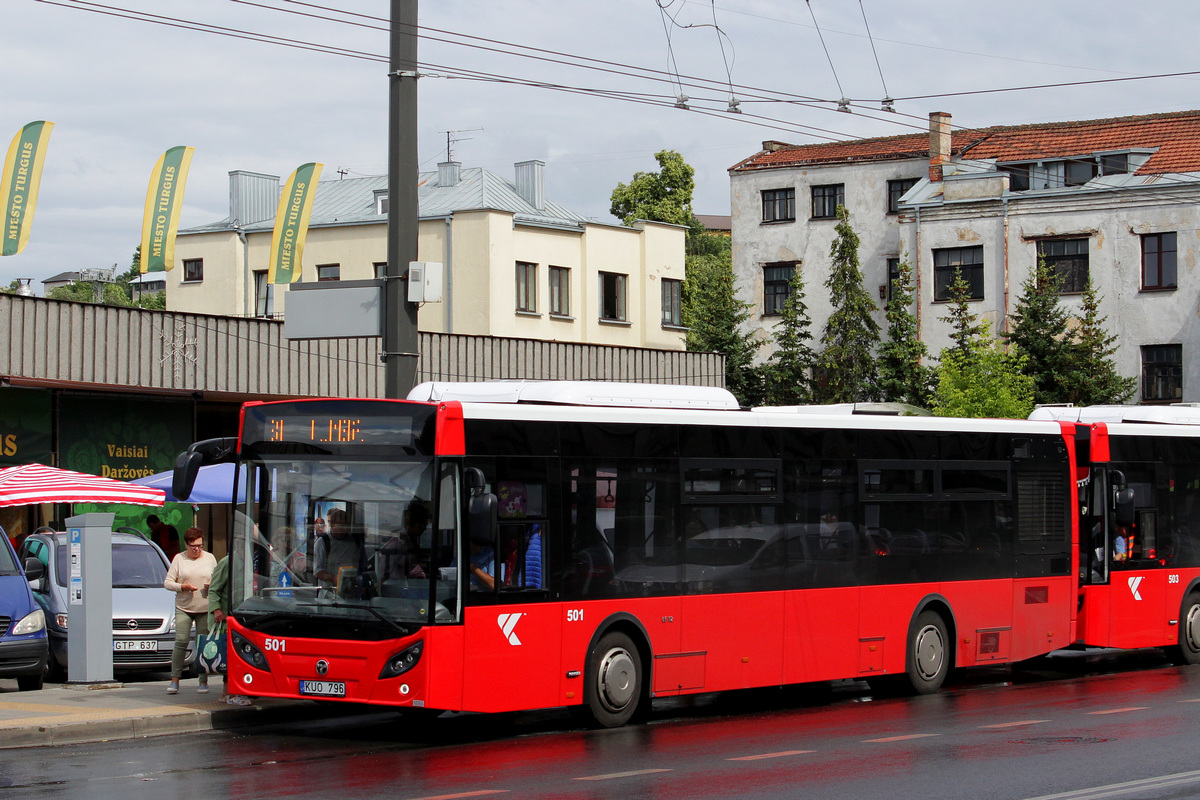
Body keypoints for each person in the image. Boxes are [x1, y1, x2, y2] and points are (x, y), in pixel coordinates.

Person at [163, 527, 217, 695]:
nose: (197, 549)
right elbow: (167, 582)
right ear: (186, 545)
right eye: (193, 546)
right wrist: (182, 587)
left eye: (200, 545)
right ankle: (174, 679)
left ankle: (203, 680)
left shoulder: (210, 558)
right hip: (184, 607)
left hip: (204, 607)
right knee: (181, 640)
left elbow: (217, 579)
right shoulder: (179, 559)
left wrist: (211, 585)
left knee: (203, 643)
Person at [207, 554, 252, 706]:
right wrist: (216, 610)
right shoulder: (227, 562)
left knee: (234, 658)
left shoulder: (249, 559)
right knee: (230, 658)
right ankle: (230, 692)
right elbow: (213, 590)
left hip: (241, 617)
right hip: (226, 620)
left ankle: (229, 692)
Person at [314, 508, 363, 594]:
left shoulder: (355, 541)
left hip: (351, 592)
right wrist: (335, 578)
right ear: (332, 525)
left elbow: (361, 565)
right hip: (329, 593)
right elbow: (318, 571)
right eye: (340, 526)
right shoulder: (323, 542)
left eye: (346, 526)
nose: (344, 529)